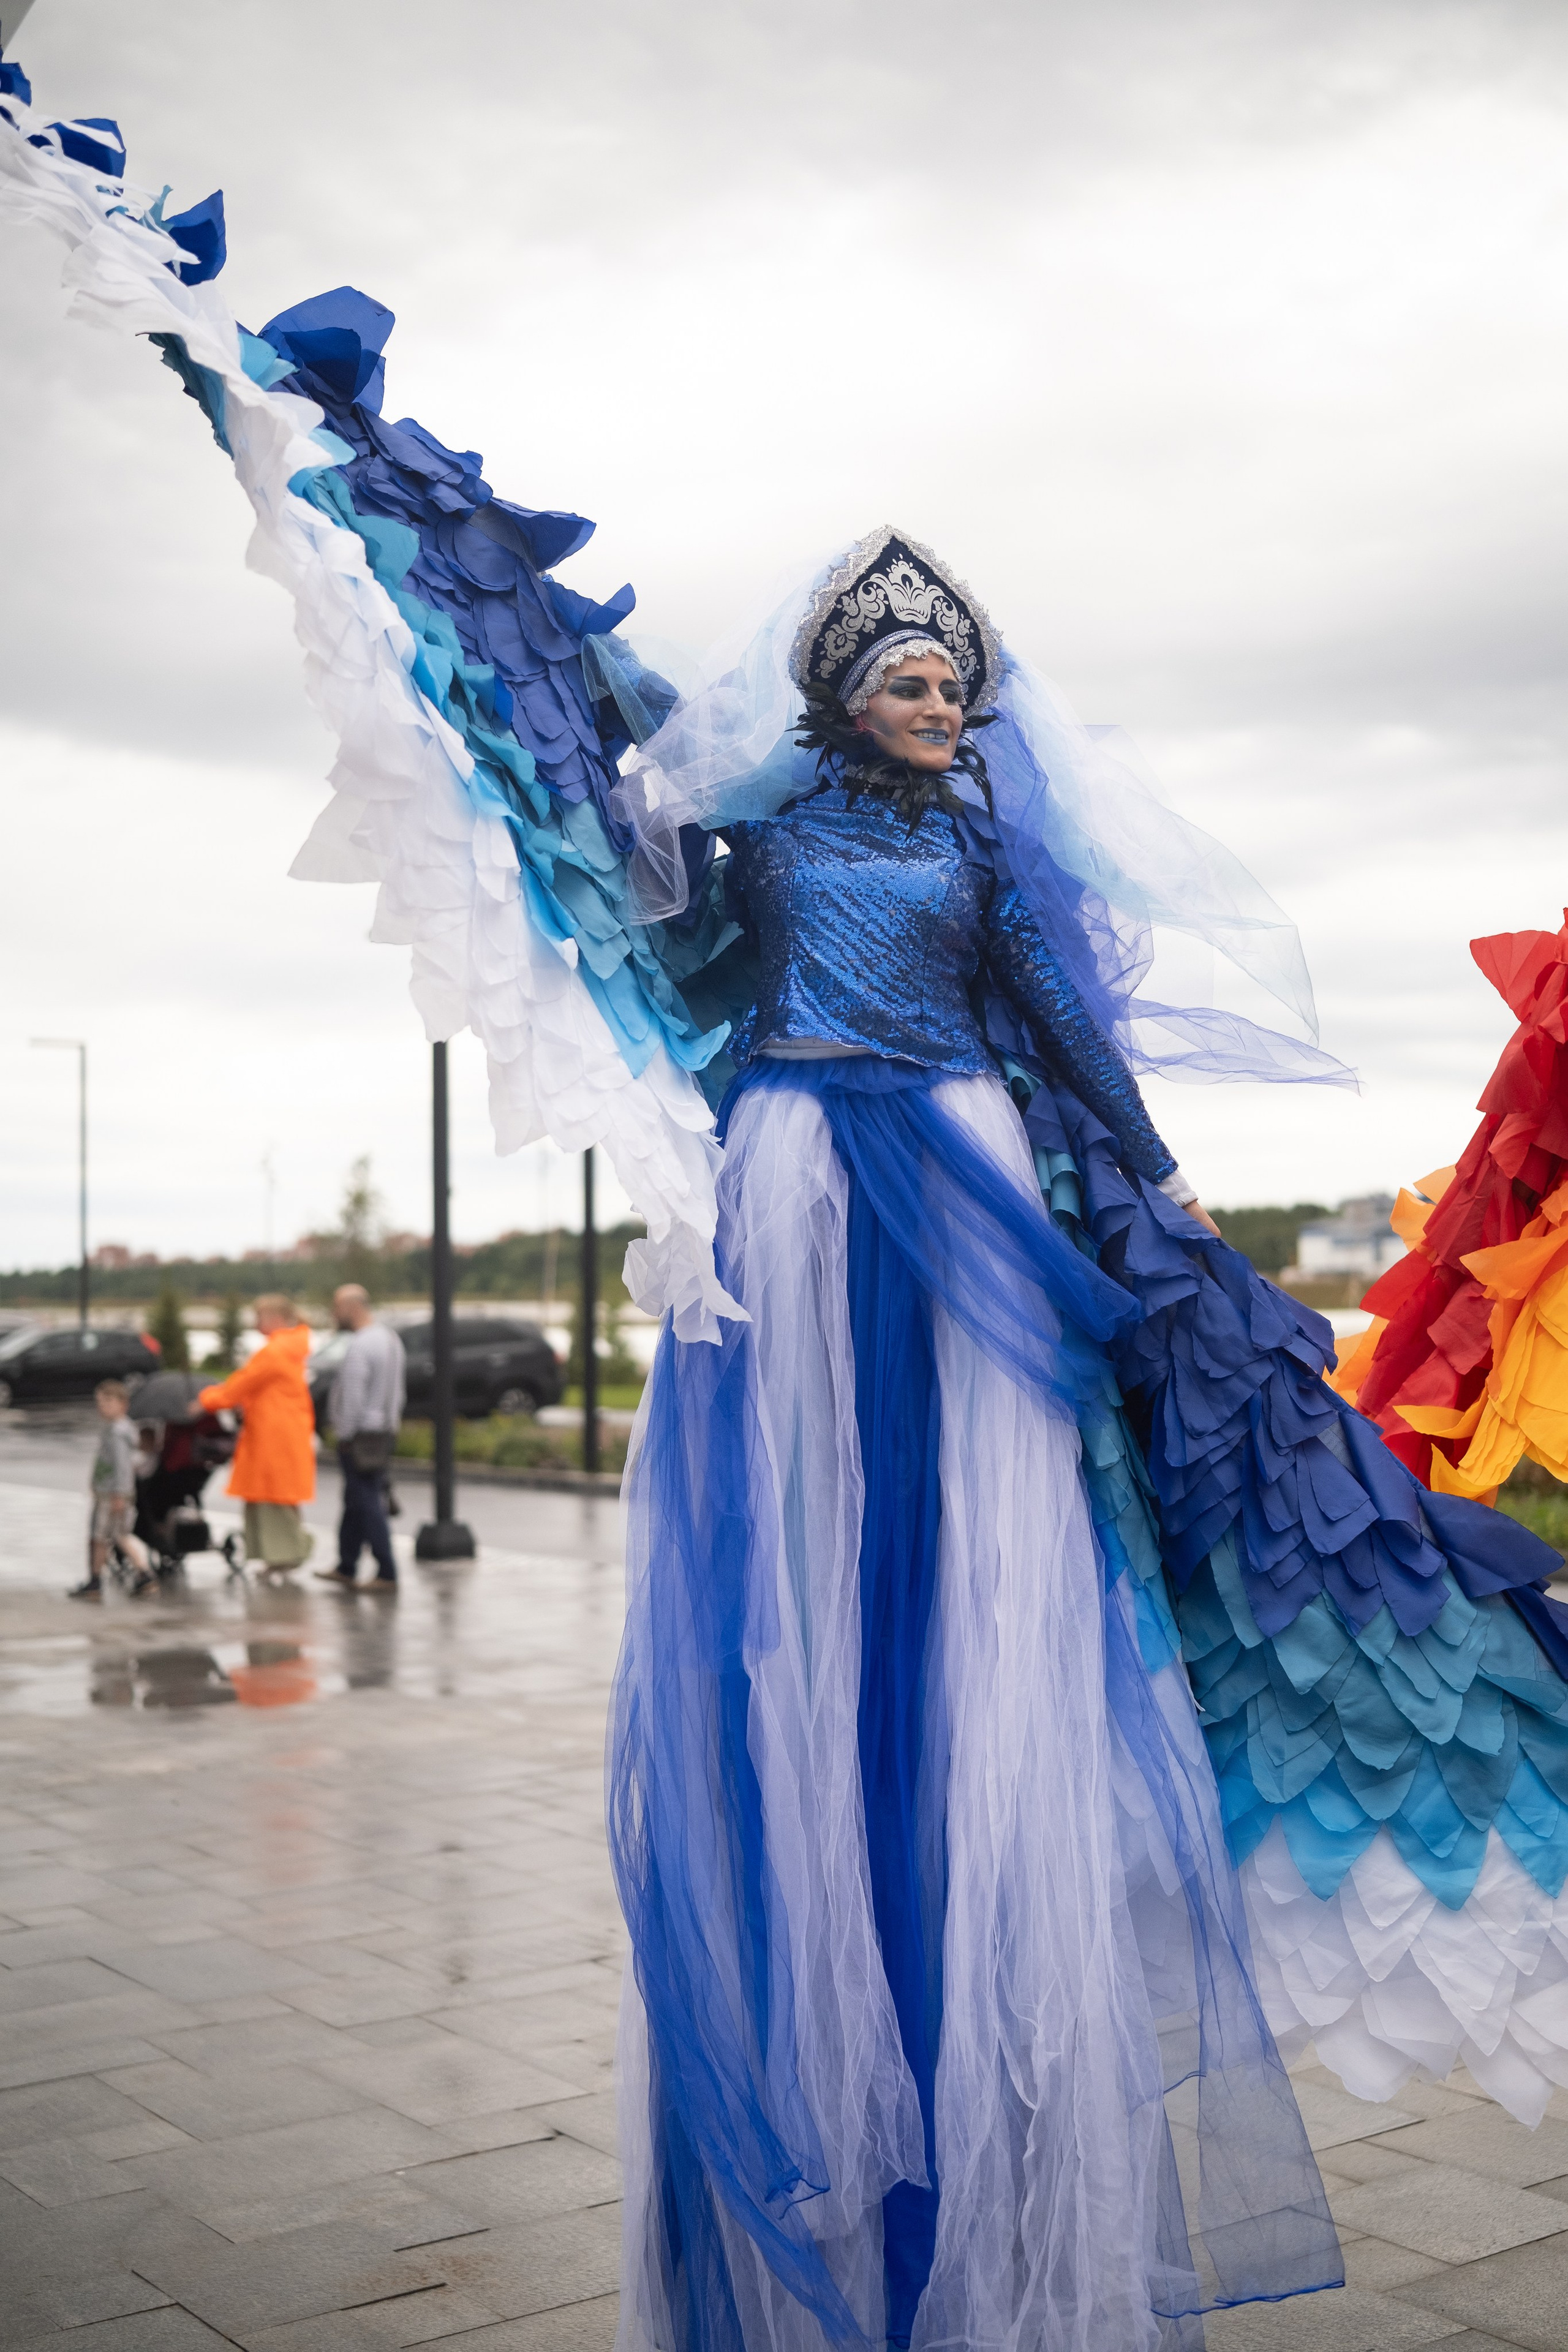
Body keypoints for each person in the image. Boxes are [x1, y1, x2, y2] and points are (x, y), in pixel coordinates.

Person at [9, 111, 1568, 2343]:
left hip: (958, 1172)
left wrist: (1148, 1177)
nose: (939, 706)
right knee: (805, 1562)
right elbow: (571, 748)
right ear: (839, 691)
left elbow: (1065, 1034)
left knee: (995, 1551)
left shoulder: (980, 855)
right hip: (798, 1181)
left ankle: (982, 2097)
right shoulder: (752, 843)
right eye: (907, 681)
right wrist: (290, 425)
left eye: (957, 685)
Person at [198, 1296, 315, 1578]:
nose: (255, 1323)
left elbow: (239, 1385)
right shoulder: (291, 1348)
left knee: (270, 1496)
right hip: (284, 1433)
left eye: (259, 1317)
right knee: (279, 1498)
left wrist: (205, 1399)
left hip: (272, 1437)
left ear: (276, 1319)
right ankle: (283, 1556)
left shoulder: (275, 1351)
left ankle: (288, 1552)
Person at [315, 1283, 405, 1589]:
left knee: (367, 1502)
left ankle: (386, 1571)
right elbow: (398, 1390)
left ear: (352, 1307)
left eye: (337, 1307)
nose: (334, 1314)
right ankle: (347, 1565)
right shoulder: (390, 1339)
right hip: (383, 1431)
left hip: (360, 1435)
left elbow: (353, 1395)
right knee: (356, 1499)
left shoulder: (361, 1345)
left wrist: (345, 1433)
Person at [69, 1378, 151, 1600]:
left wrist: (119, 1495)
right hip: (110, 1492)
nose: (102, 1407)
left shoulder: (117, 1432)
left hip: (112, 1495)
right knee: (117, 1536)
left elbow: (123, 1466)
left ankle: (96, 1582)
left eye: (108, 1402)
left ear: (123, 1404)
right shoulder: (116, 1429)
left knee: (100, 1537)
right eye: (100, 1403)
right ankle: (143, 1574)